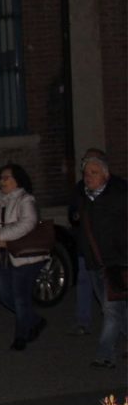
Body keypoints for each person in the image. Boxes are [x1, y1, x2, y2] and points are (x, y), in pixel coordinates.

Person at [0, 164, 47, 351]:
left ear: (17, 180)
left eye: (7, 177)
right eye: (1, 177)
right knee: (3, 293)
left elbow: (28, 223)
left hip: (22, 257)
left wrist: (4, 235)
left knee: (20, 297)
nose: (2, 181)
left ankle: (21, 335)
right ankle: (34, 320)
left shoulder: (25, 199)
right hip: (2, 255)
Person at [73, 155, 128, 368]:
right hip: (94, 263)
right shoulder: (84, 198)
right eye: (86, 173)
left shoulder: (118, 197)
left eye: (94, 173)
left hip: (115, 263)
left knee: (111, 310)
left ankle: (105, 355)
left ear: (105, 175)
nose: (88, 177)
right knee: (118, 308)